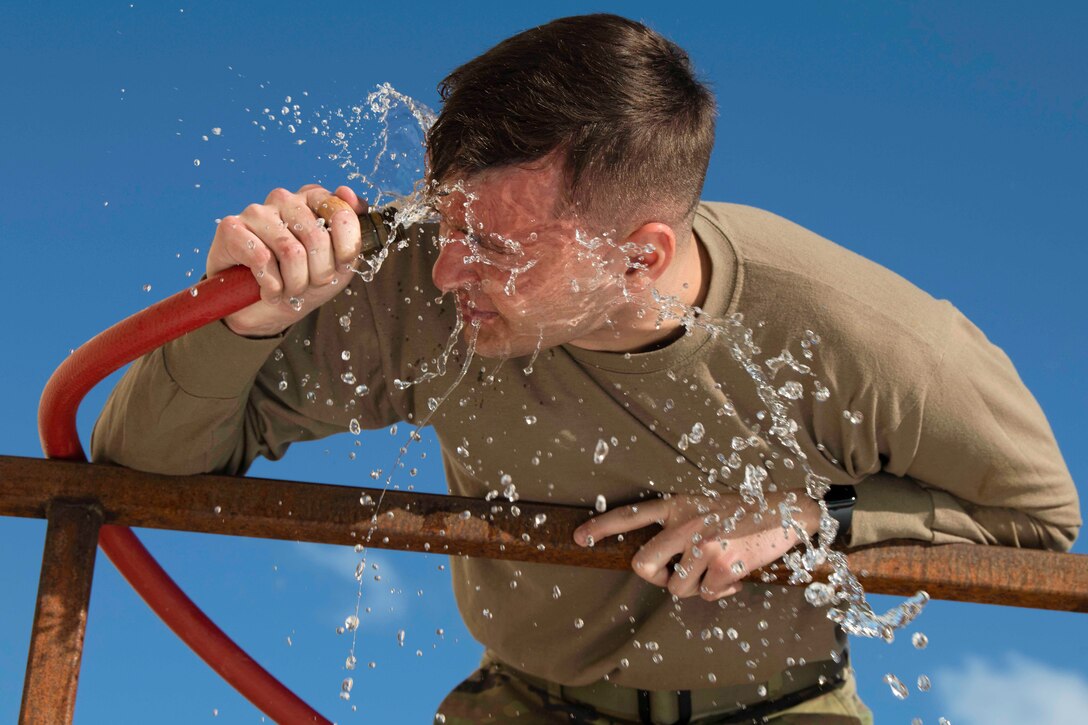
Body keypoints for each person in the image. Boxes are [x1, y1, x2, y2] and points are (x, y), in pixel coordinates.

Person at [92, 13, 1079, 725]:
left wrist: (809, 512)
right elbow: (135, 473)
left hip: (781, 709)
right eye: (445, 221)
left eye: (494, 244)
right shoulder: (424, 279)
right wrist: (242, 323)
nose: (445, 267)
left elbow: (1042, 531)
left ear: (641, 256)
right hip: (522, 704)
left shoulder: (858, 337)